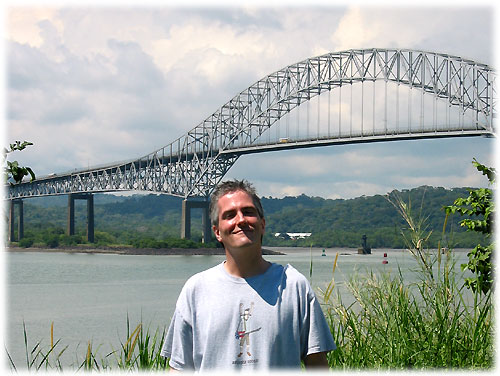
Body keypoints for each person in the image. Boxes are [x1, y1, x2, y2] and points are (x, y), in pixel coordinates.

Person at [161, 179, 336, 371]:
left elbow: (318, 365)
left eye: (248, 212)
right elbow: (179, 368)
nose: (241, 220)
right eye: (229, 215)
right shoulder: (195, 289)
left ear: (262, 224)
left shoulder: (294, 285)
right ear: (217, 232)